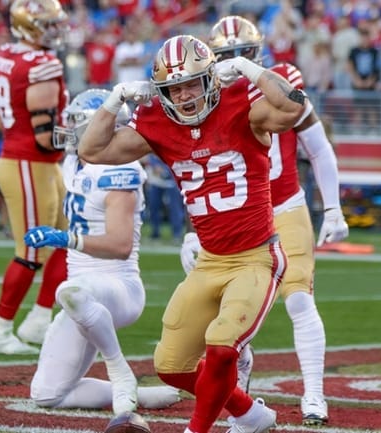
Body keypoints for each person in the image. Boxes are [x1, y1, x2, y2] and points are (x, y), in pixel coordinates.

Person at [77, 34, 305, 433]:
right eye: (173, 88)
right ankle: (251, 415)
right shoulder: (159, 124)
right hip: (209, 261)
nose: (183, 96)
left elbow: (294, 108)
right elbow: (92, 151)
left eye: (190, 84)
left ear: (211, 78)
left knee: (220, 346)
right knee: (171, 367)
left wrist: (250, 69)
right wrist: (115, 100)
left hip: (255, 257)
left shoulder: (241, 106)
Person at [185, 15, 349, 426]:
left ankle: (313, 392)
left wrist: (333, 207)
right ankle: (238, 384)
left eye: (244, 54)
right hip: (233, 215)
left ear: (257, 55)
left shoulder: (279, 82)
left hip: (283, 205)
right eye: (227, 55)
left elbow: (317, 145)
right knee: (225, 314)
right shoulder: (202, 99)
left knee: (298, 296)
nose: (235, 61)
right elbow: (191, 165)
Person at [23, 89, 179, 414]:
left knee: (69, 290)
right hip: (82, 294)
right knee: (47, 395)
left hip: (118, 287)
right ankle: (142, 395)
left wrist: (66, 239)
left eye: (75, 123)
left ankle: (120, 371)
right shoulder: (74, 163)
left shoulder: (118, 171)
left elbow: (120, 245)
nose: (67, 130)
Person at [0, 0, 70, 355]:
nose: (56, 30)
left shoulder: (6, 55)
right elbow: (46, 138)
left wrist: (16, 132)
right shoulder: (42, 65)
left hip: (28, 161)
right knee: (31, 250)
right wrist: (87, 132)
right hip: (29, 164)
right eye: (48, 24)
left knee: (66, 239)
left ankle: (39, 320)